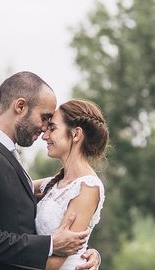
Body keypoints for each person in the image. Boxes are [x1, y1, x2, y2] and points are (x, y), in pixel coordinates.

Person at [0, 71, 101, 270]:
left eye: (52, 125)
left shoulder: (8, 155)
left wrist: (84, 254)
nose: (44, 130)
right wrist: (49, 245)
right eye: (45, 118)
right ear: (20, 106)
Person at [33, 99, 107, 270]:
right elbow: (13, 185)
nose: (45, 135)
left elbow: (54, 264)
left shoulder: (87, 188)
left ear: (75, 134)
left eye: (52, 128)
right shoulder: (55, 183)